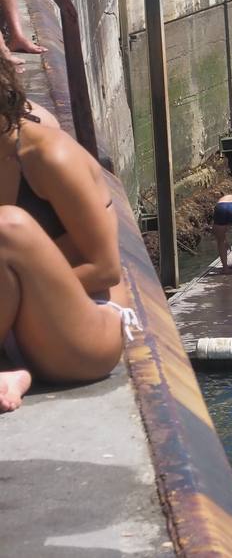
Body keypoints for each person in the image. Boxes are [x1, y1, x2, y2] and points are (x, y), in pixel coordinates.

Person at [0, 59, 134, 413]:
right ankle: (13, 371)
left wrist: (30, 300)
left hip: (89, 328)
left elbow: (106, 268)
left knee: (8, 228)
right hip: (23, 326)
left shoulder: (47, 155)